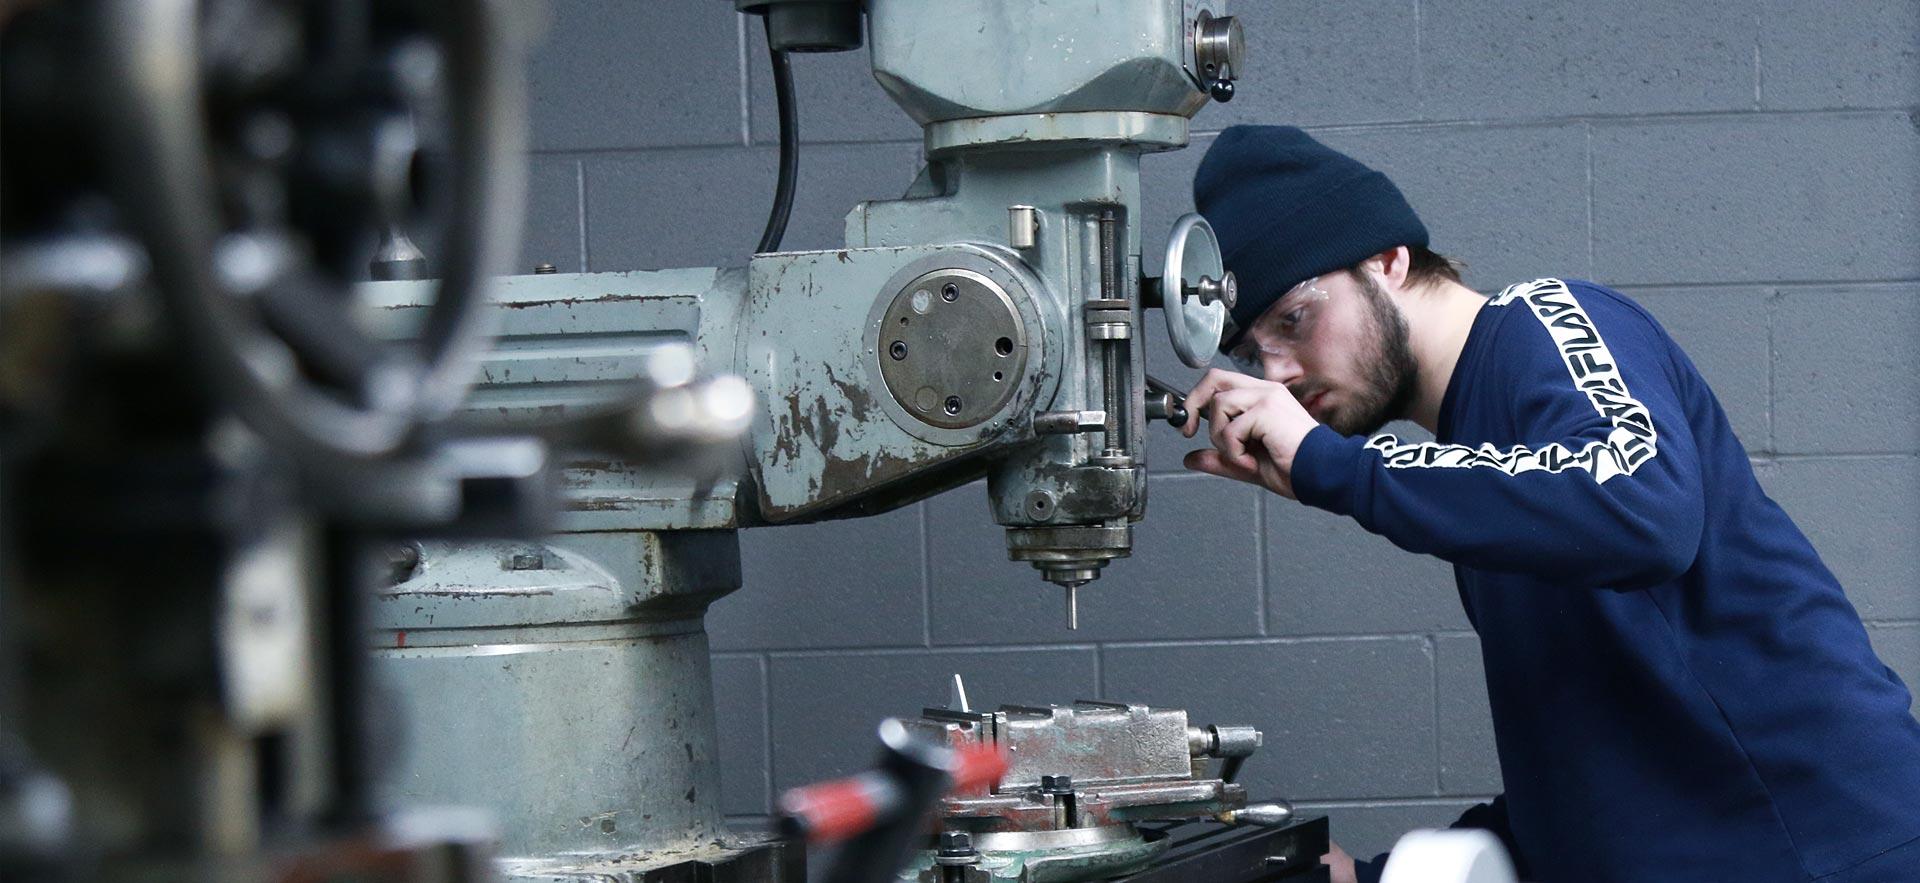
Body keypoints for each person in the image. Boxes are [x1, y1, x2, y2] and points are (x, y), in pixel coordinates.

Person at [1181, 125, 1920, 883]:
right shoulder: (1474, 475)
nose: (1278, 371)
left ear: (1388, 261)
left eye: (1294, 319)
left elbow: (1646, 504)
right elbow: (1599, 778)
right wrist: (1373, 876)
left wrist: (1334, 465)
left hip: (1833, 854)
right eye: (1249, 352)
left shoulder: (1547, 319)